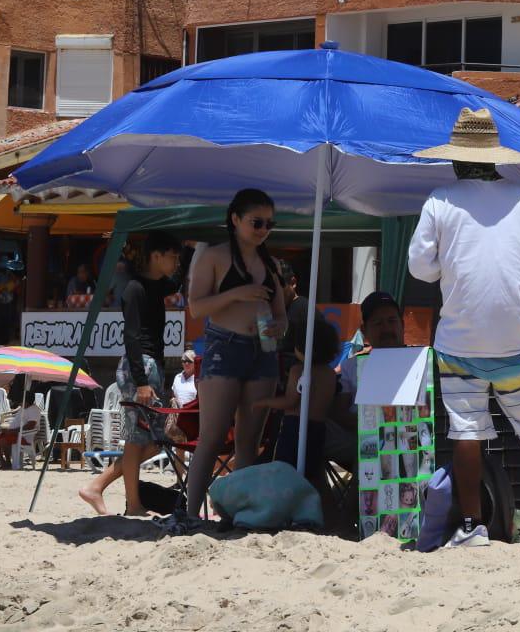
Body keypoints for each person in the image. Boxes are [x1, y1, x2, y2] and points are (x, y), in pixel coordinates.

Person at [407, 107, 520, 549]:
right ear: (495, 157)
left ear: (455, 159)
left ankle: (473, 526)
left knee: (467, 433)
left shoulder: (440, 199)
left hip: (461, 341)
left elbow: (421, 269)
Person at [169, 189, 288, 532]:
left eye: (270, 223)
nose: (264, 229)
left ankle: (238, 513)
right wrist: (238, 293)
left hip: (262, 350)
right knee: (213, 435)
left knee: (249, 440)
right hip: (225, 346)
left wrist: (279, 326)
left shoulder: (269, 263)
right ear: (235, 219)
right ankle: (191, 514)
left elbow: (281, 315)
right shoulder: (212, 254)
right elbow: (197, 307)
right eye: (257, 222)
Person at [78, 233, 183, 517]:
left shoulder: (156, 285)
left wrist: (192, 248)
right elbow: (131, 336)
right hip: (141, 366)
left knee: (155, 440)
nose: (176, 261)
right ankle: (133, 504)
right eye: (172, 255)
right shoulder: (135, 289)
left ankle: (98, 485)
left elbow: (178, 281)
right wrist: (141, 381)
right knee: (138, 440)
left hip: (151, 366)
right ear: (156, 256)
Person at [258, 298, 342, 479]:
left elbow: (291, 401)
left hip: (295, 429)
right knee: (310, 475)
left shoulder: (299, 370)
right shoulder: (330, 374)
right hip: (319, 430)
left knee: (285, 474)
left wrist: (265, 402)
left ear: (302, 347)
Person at [327, 291, 404, 469]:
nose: (386, 329)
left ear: (403, 325)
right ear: (364, 331)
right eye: (378, 323)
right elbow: (339, 412)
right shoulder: (350, 366)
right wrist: (374, 427)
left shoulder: (420, 363)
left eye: (392, 321)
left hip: (408, 439)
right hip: (358, 437)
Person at [0, 391, 42, 468]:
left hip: (23, 437)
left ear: (26, 401)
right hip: (13, 433)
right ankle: (3, 462)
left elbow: (30, 426)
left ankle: (8, 462)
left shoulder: (34, 410)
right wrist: (6, 429)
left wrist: (13, 431)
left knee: (3, 441)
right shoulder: (23, 408)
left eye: (20, 401)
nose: (19, 403)